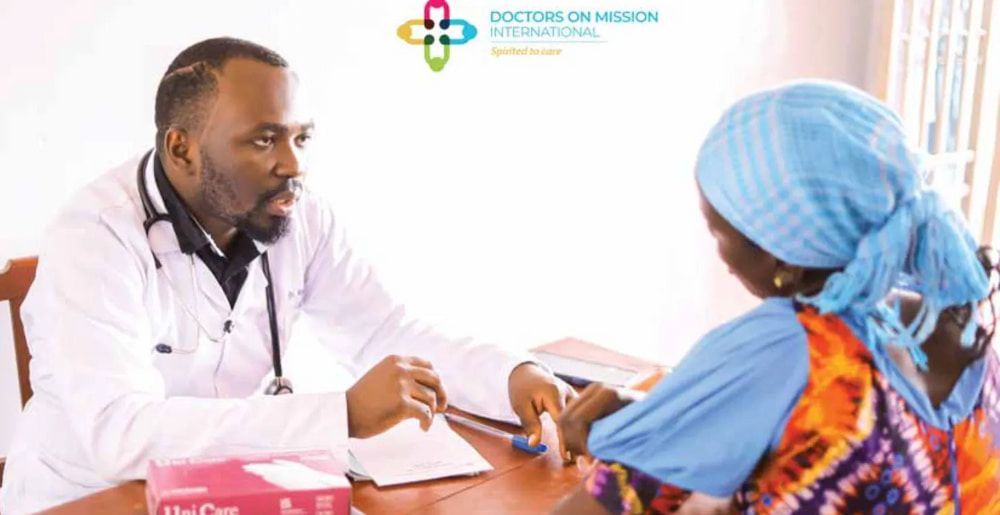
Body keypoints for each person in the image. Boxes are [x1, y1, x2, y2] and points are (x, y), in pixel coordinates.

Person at [0, 37, 574, 514]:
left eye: (301, 138)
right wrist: (342, 414)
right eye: (264, 139)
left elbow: (384, 332)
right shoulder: (94, 237)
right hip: (89, 497)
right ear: (182, 149)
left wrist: (512, 374)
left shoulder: (291, 214)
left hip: (230, 487)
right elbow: (120, 434)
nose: (294, 164)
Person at [554, 80, 1000, 514]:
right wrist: (660, 419)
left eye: (719, 231)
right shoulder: (952, 313)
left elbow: (599, 506)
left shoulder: (788, 347)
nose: (721, 256)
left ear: (785, 262)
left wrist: (634, 446)